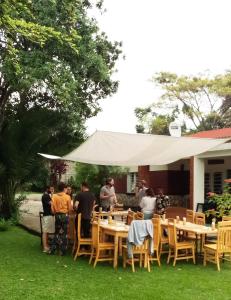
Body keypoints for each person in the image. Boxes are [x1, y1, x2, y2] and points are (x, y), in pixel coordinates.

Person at [50, 182, 72, 255]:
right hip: (64, 216)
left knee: (57, 232)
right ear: (64, 189)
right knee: (64, 233)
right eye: (66, 188)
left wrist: (55, 213)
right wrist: (67, 214)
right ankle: (63, 251)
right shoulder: (67, 197)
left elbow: (52, 209)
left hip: (57, 215)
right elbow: (70, 209)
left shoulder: (54, 196)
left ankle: (53, 249)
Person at [41, 185, 55, 253]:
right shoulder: (46, 196)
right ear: (47, 189)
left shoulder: (46, 196)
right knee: (45, 231)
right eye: (51, 189)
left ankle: (46, 245)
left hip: (48, 215)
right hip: (47, 216)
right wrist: (52, 195)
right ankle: (45, 247)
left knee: (47, 232)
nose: (52, 190)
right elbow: (52, 203)